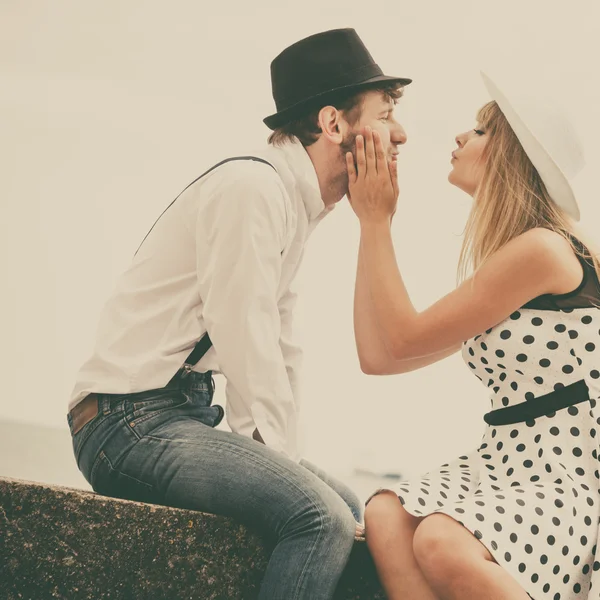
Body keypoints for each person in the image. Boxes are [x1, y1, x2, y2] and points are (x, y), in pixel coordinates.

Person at [66, 28, 411, 599]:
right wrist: (288, 476)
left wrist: (288, 463)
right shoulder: (253, 187)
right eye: (385, 113)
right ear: (332, 124)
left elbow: (282, 349)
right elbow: (244, 334)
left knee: (352, 512)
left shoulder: (291, 201)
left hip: (174, 415)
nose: (401, 134)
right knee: (318, 520)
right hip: (125, 422)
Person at [346, 70, 600, 600]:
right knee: (386, 516)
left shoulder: (544, 250)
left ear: (510, 153)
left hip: (561, 472)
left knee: (441, 539)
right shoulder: (518, 255)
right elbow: (379, 356)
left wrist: (377, 222)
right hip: (502, 459)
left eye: (481, 131)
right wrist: (369, 227)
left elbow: (401, 337)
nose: (461, 137)